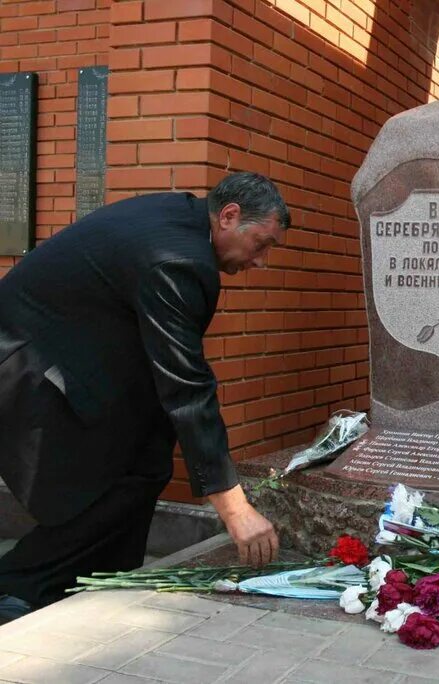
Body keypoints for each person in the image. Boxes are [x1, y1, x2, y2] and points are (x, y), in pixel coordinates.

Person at [0, 172, 288, 624]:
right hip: (30, 366)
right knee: (108, 479)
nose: (262, 260)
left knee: (148, 456)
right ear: (229, 216)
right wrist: (236, 509)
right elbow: (187, 386)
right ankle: (18, 587)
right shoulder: (177, 260)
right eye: (261, 243)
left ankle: (103, 580)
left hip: (73, 360)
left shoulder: (184, 222)